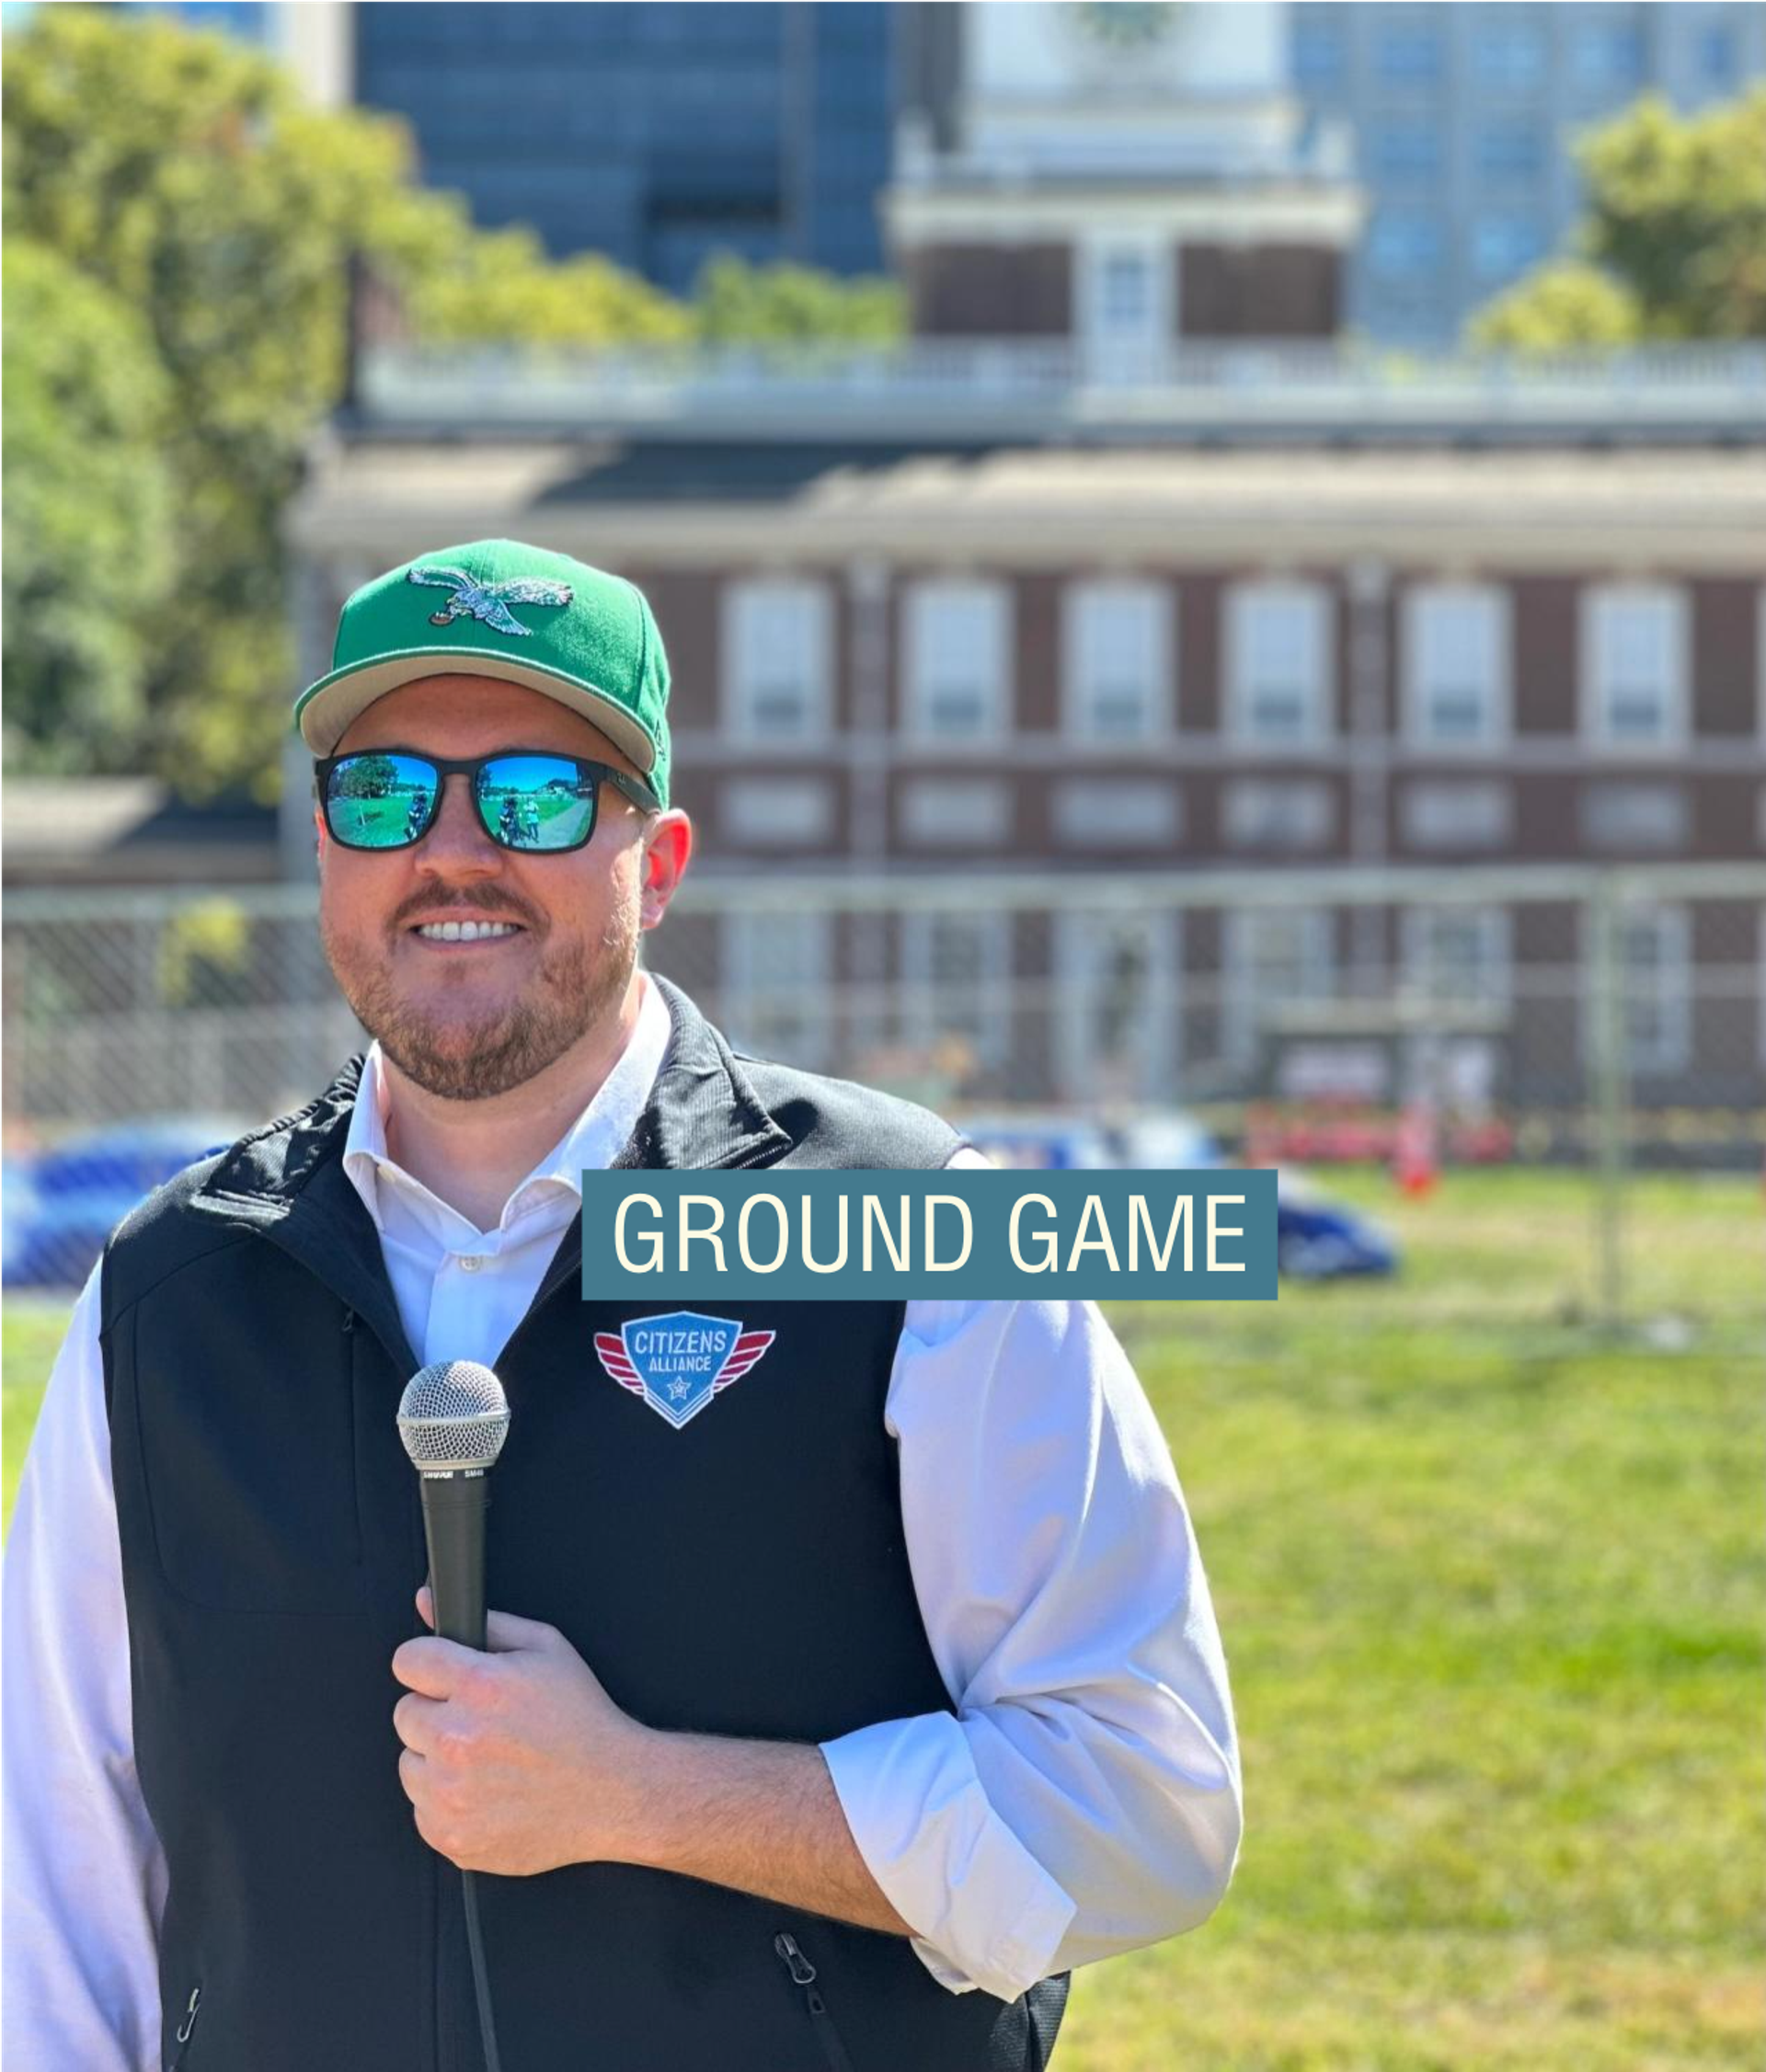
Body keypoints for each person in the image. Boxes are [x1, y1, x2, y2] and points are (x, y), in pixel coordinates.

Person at [3, 540, 1242, 2072]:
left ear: (656, 861)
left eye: (534, 794)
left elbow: (1144, 1804)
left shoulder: (918, 1231)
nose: (451, 853)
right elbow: (53, 1888)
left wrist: (643, 1796)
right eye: (383, 793)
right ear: (327, 853)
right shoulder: (171, 1292)